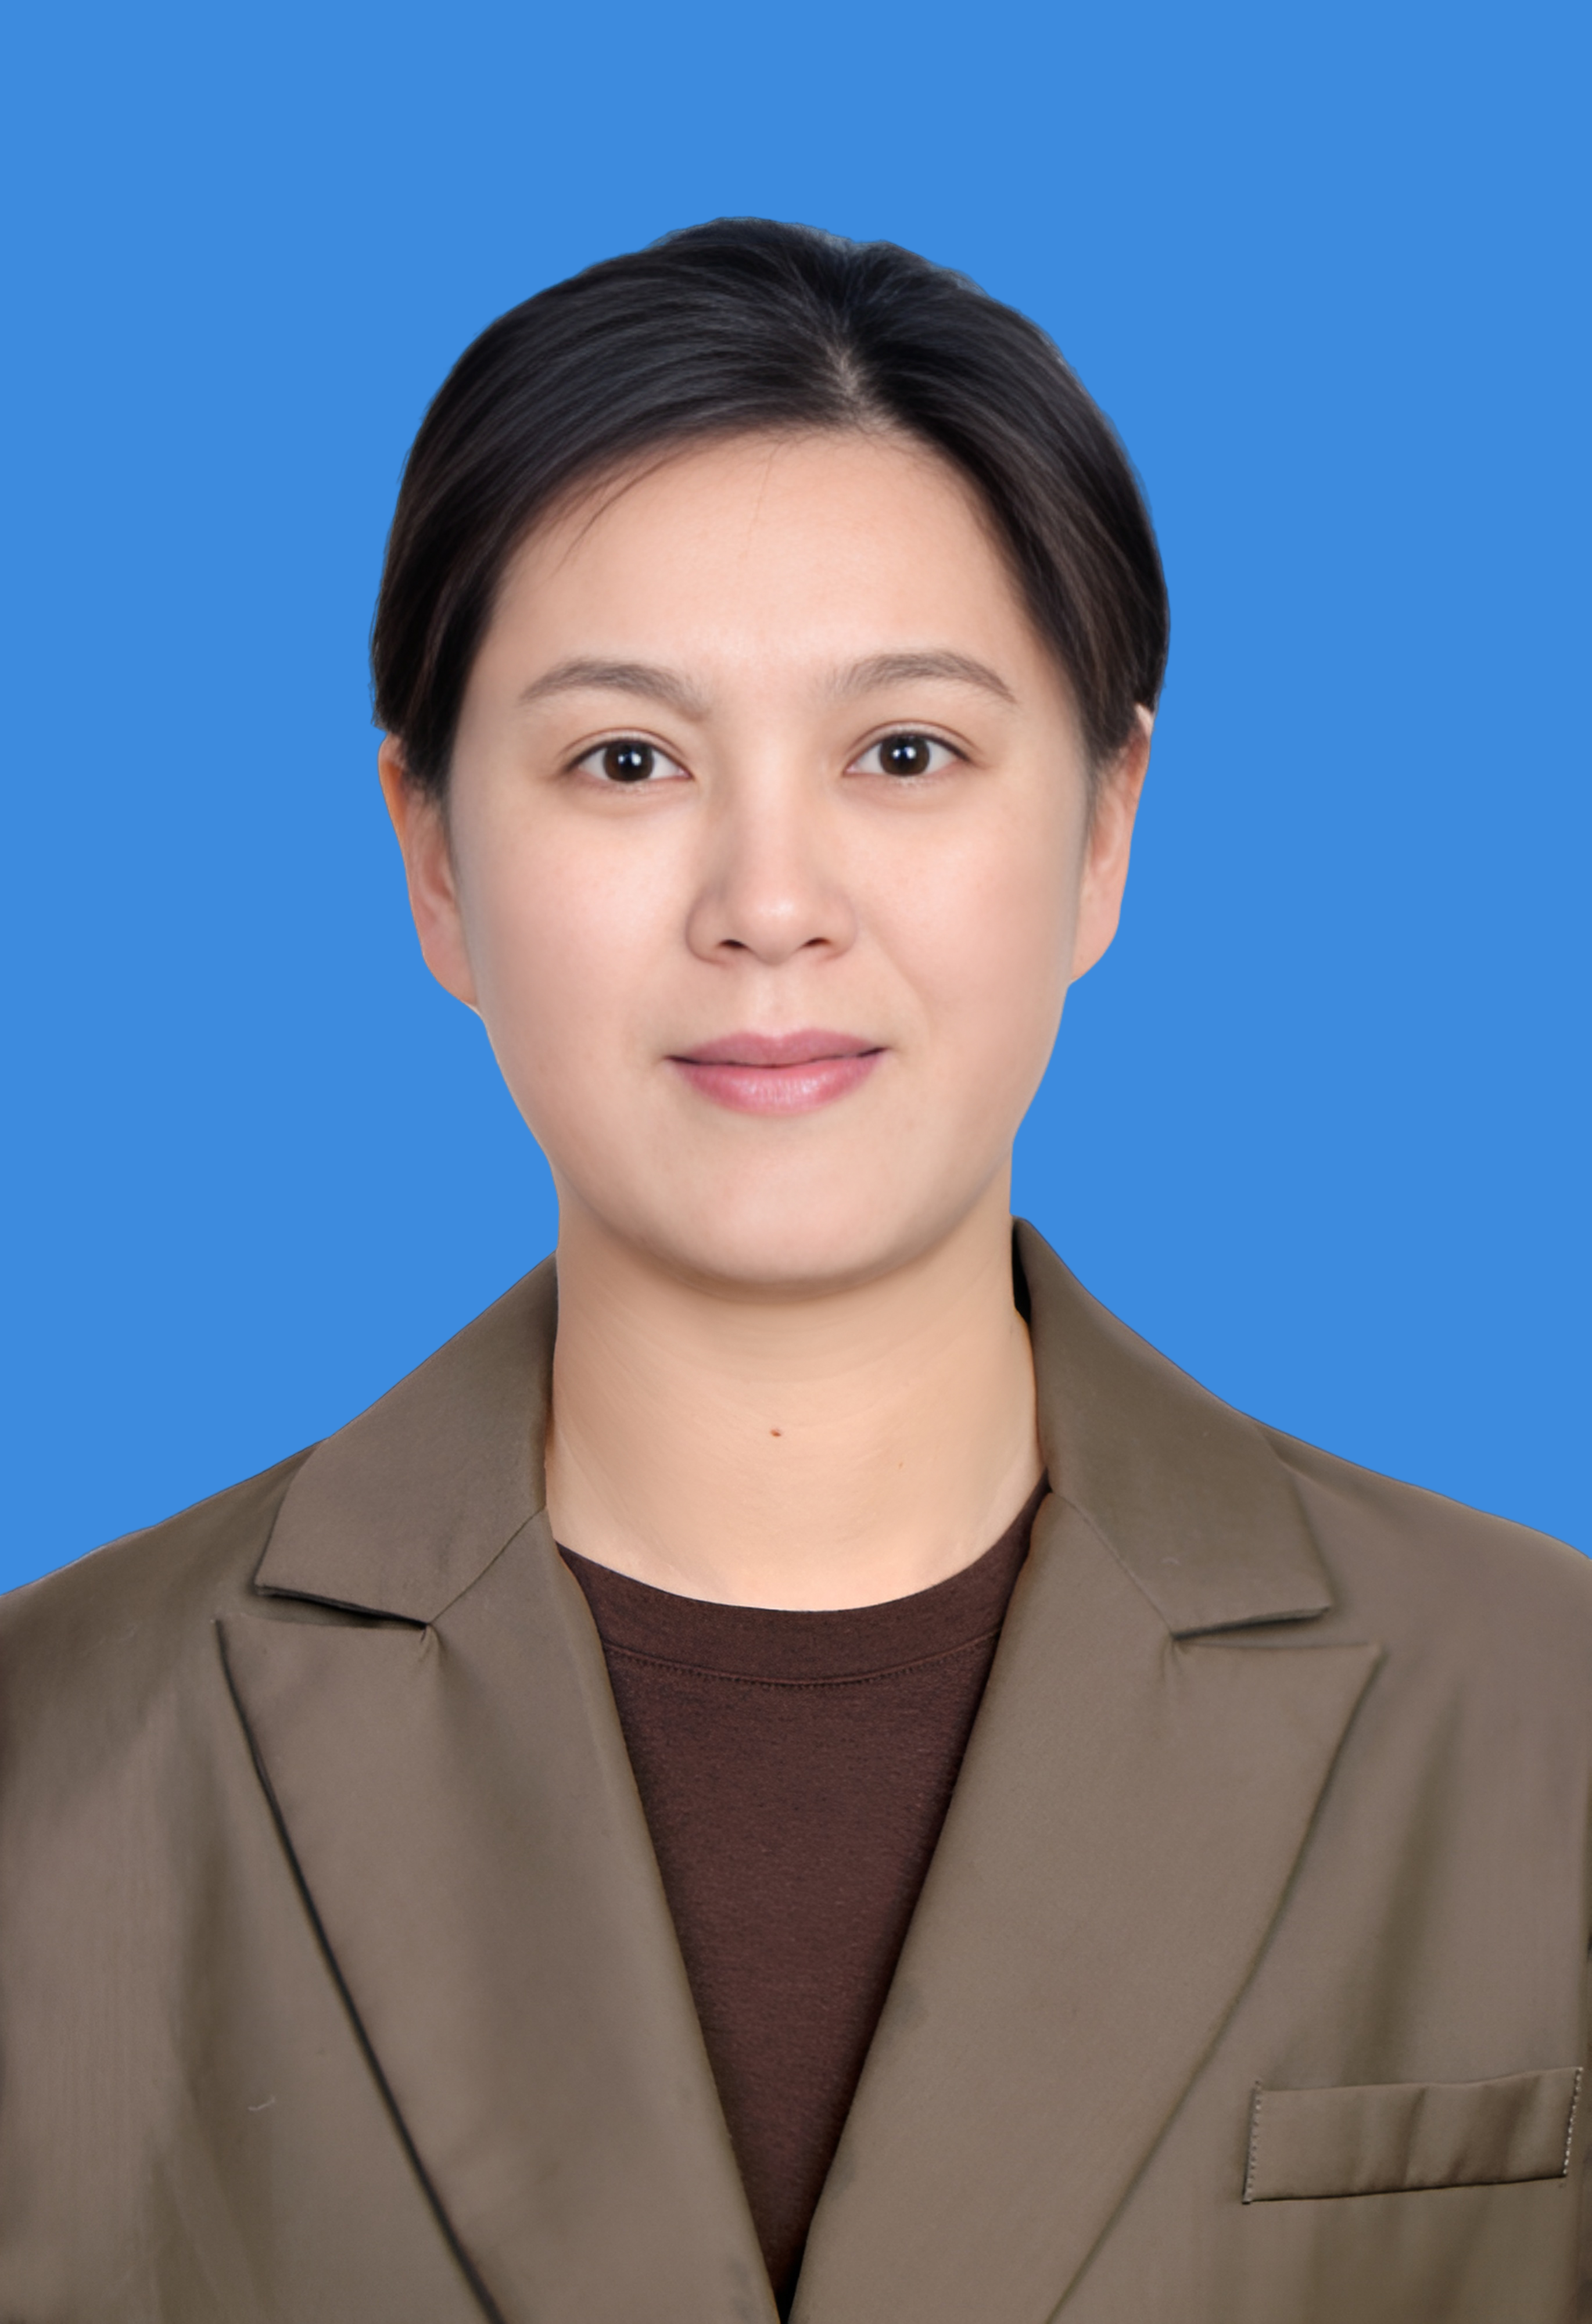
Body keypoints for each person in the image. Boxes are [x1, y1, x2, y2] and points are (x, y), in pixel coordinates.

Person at [0, 219, 1586, 2324]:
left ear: (1103, 829)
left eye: (904, 753)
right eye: (625, 761)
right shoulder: (52, 1767)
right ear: (434, 858)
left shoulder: (1544, 1718)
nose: (768, 902)